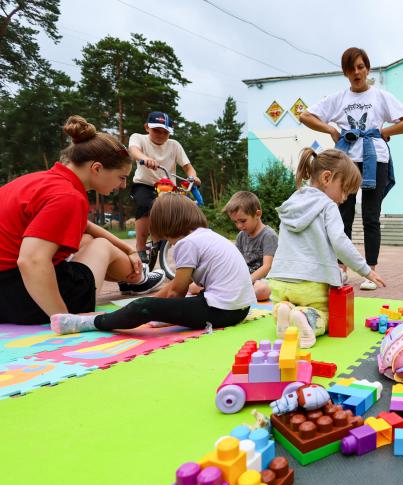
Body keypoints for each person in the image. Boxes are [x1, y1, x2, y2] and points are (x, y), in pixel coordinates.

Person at [0, 116, 164, 325]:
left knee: (86, 239)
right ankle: (137, 279)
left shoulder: (39, 181)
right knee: (101, 245)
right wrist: (65, 320)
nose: (123, 186)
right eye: (121, 177)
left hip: (6, 296)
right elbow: (31, 260)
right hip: (23, 299)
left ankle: (136, 278)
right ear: (96, 168)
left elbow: (84, 225)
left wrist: (129, 249)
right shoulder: (67, 196)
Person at [299, 47, 403, 291]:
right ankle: (341, 269)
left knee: (371, 216)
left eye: (361, 67)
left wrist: (385, 131)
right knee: (343, 215)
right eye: (351, 68)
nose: (357, 72)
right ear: (345, 72)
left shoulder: (381, 96)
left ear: (367, 68)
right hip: (346, 161)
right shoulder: (339, 98)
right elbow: (305, 116)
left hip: (376, 159)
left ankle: (371, 270)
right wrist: (331, 130)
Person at [50, 193, 255, 334]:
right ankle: (132, 314)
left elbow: (177, 292)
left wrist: (153, 307)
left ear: (165, 224)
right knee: (157, 304)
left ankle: (92, 322)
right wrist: (162, 305)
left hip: (223, 311)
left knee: (143, 306)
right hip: (240, 309)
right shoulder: (206, 236)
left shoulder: (187, 243)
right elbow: (174, 288)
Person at [267, 148, 386, 348]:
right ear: (326, 178)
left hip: (279, 281)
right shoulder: (327, 206)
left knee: (285, 306)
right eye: (345, 190)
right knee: (328, 314)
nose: (344, 198)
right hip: (310, 284)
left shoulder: (291, 203)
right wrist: (365, 270)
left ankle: (283, 308)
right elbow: (340, 242)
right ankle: (308, 317)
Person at [128, 111, 200, 264]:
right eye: (156, 130)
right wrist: (145, 158)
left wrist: (193, 177)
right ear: (147, 127)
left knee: (180, 212)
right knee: (145, 206)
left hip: (167, 187)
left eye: (165, 132)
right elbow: (134, 151)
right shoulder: (138, 138)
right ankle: (140, 247)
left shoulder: (174, 145)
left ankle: (168, 241)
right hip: (145, 184)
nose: (161, 134)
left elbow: (188, 168)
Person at [222, 191, 278, 301]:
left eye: (243, 221)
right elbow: (235, 262)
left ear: (258, 214)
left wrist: (246, 282)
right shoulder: (241, 236)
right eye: (235, 222)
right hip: (246, 280)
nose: (239, 226)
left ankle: (237, 295)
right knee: (195, 286)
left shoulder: (268, 235)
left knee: (261, 290)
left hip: (263, 280)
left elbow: (267, 267)